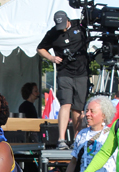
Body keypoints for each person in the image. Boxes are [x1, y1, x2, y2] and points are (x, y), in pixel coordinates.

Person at [37, 10, 89, 149]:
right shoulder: (53, 33)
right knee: (66, 104)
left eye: (64, 25)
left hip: (81, 73)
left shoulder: (79, 26)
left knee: (78, 108)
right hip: (64, 73)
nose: (63, 28)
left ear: (68, 20)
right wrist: (52, 58)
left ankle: (77, 139)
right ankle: (61, 139)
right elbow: (40, 49)